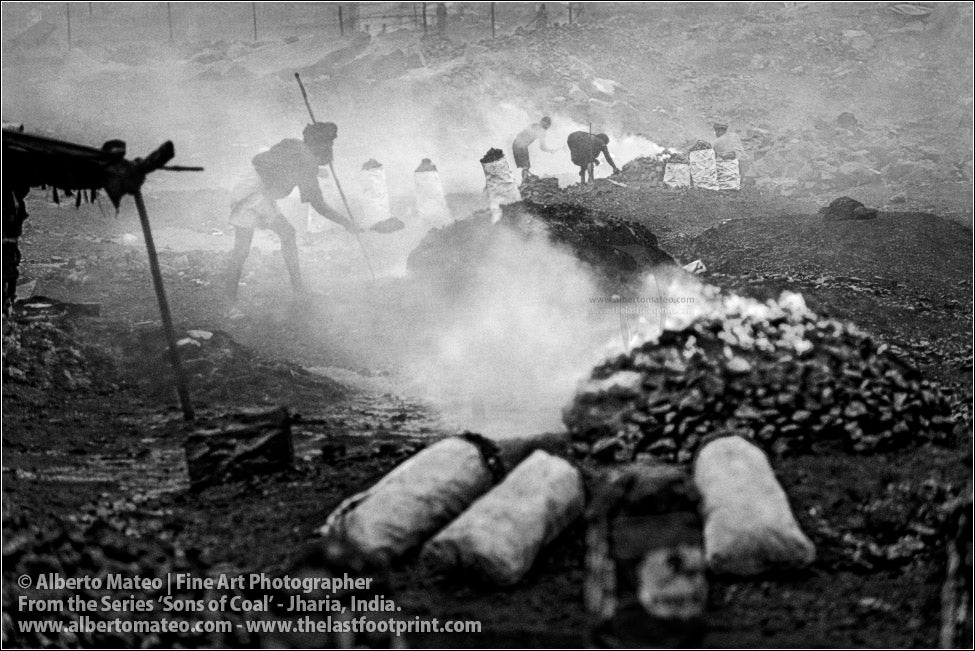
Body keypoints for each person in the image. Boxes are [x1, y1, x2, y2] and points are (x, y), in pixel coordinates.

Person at [225, 121, 357, 302]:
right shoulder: (306, 163)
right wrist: (346, 222)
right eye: (329, 144)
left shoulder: (294, 145)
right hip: (251, 193)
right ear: (320, 144)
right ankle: (229, 304)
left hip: (256, 187)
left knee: (287, 233)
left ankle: (298, 291)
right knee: (242, 250)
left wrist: (315, 170)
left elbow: (272, 161)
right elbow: (318, 205)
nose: (331, 148)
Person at [512, 116, 556, 182]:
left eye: (548, 125)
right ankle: (524, 181)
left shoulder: (533, 125)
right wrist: (550, 150)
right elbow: (542, 147)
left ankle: (524, 180)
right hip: (521, 146)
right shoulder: (542, 131)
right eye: (547, 124)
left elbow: (520, 134)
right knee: (526, 166)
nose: (548, 127)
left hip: (516, 144)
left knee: (526, 166)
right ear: (543, 122)